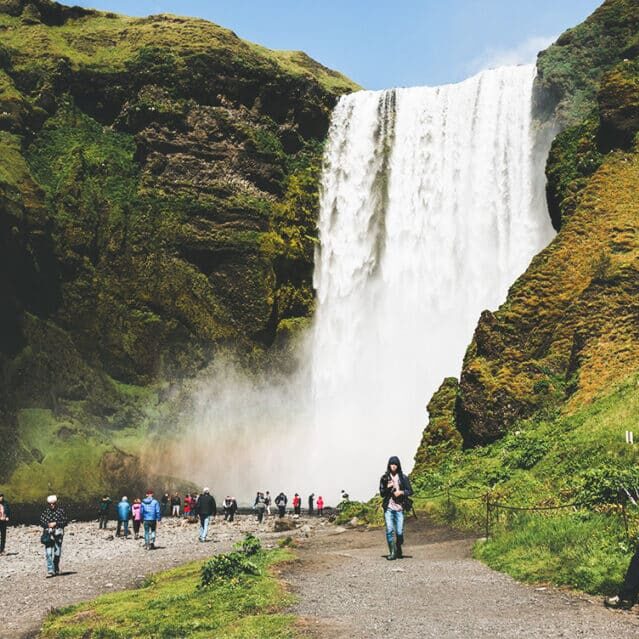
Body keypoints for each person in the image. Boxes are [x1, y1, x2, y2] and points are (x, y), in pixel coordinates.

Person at [379, 455, 413, 560]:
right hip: (388, 508)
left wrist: (401, 492)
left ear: (398, 466)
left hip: (399, 508)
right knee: (389, 530)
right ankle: (392, 552)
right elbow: (382, 493)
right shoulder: (384, 478)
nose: (393, 466)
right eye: (391, 464)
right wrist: (387, 488)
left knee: (399, 532)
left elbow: (410, 491)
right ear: (389, 465)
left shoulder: (403, 477)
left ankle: (398, 546)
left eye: (395, 464)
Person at [40, 495, 67, 577]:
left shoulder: (61, 511)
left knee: (57, 552)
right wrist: (48, 525)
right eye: (50, 504)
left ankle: (56, 567)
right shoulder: (45, 512)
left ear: (56, 503)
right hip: (48, 533)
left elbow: (65, 521)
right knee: (48, 553)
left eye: (53, 503)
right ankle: (50, 570)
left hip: (58, 533)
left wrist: (56, 523)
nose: (52, 505)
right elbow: (41, 522)